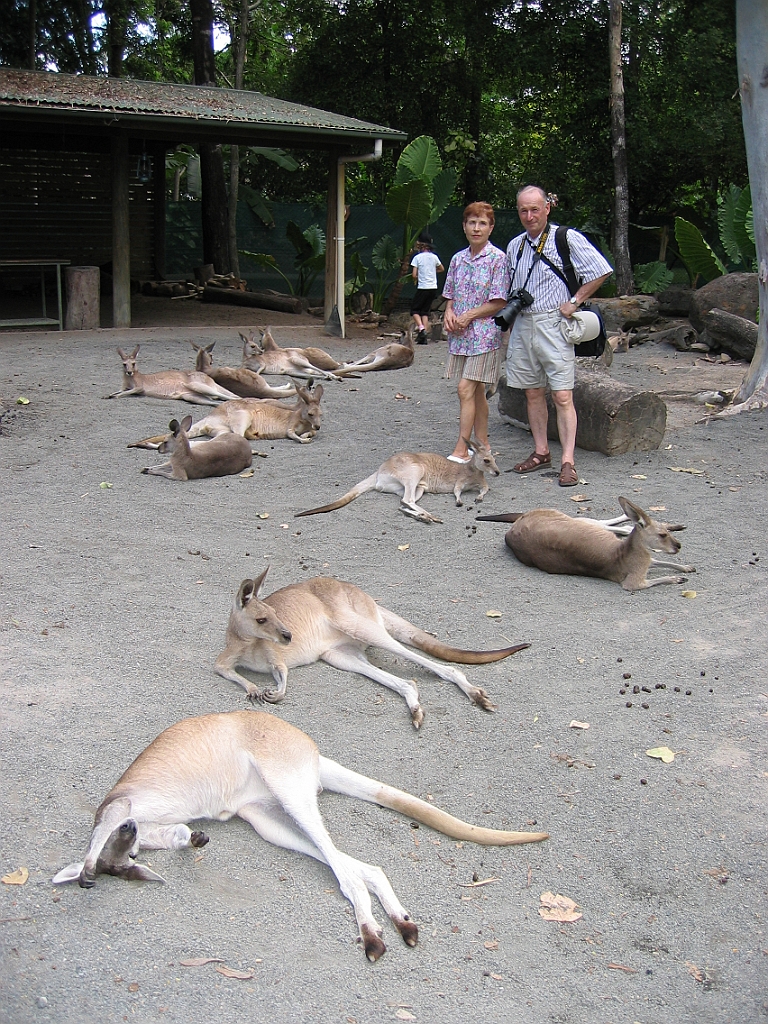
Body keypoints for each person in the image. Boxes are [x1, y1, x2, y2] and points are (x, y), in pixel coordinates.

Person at [505, 185, 612, 486]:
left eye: (534, 209)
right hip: (524, 323)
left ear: (547, 208)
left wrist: (575, 301)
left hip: (555, 321)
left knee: (562, 394)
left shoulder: (565, 238)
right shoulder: (515, 246)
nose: (529, 216)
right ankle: (541, 452)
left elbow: (601, 270)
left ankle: (568, 461)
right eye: (523, 210)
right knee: (532, 391)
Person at [442, 202, 510, 463]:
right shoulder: (457, 259)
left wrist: (469, 315)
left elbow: (499, 301)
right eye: (472, 222)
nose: (477, 228)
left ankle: (462, 449)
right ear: (464, 226)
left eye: (482, 223)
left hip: (485, 335)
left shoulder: (497, 259)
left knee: (465, 389)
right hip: (461, 336)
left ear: (491, 227)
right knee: (477, 390)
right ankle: (483, 445)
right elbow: (450, 295)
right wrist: (449, 312)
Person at [410, 233, 444, 344]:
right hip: (433, 287)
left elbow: (414, 275)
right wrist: (432, 272)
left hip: (423, 287)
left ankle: (421, 329)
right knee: (425, 311)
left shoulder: (417, 258)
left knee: (415, 310)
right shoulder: (434, 257)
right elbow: (441, 268)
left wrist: (420, 276)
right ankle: (423, 336)